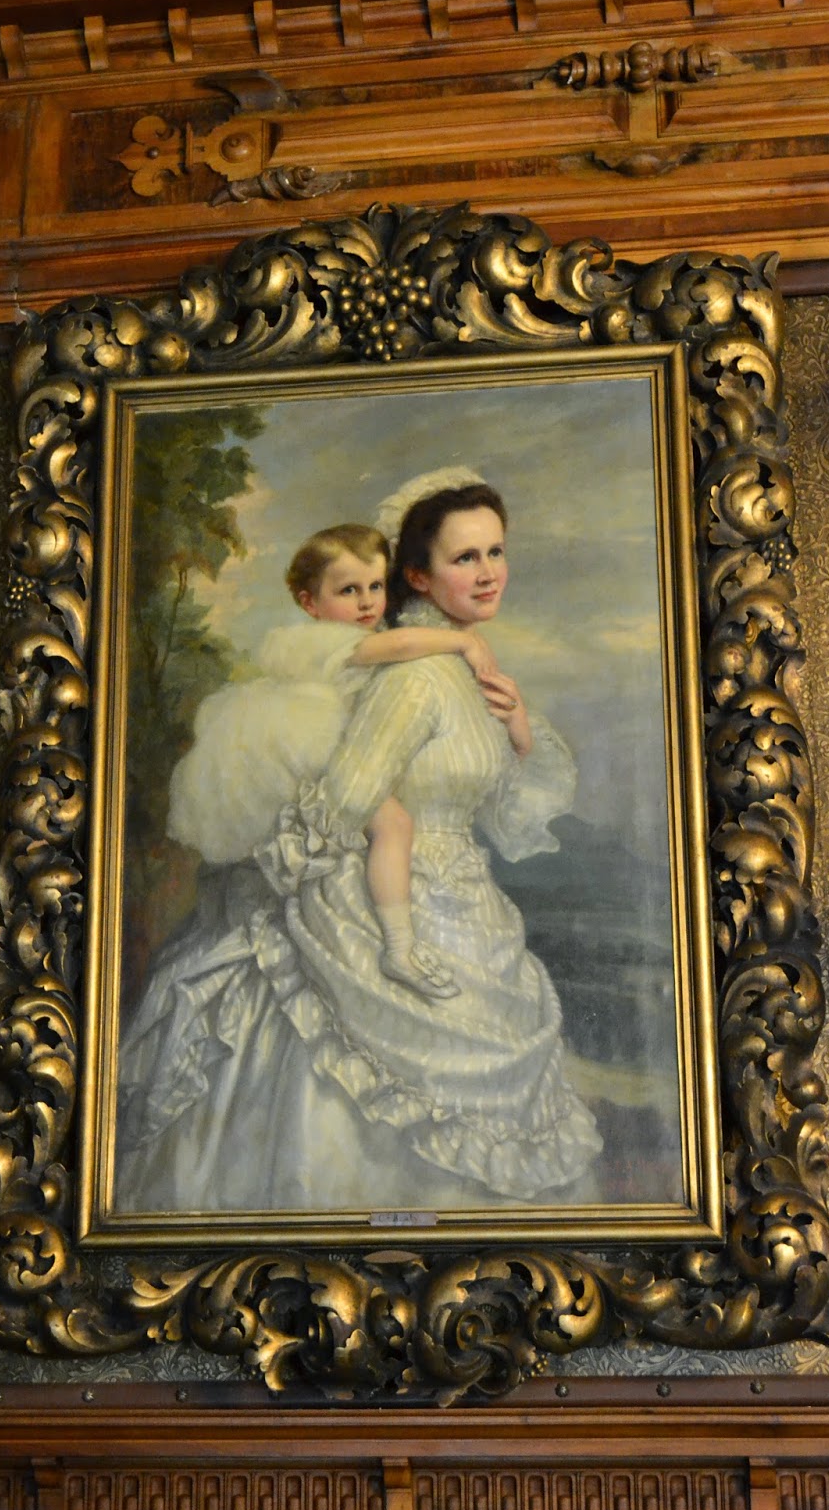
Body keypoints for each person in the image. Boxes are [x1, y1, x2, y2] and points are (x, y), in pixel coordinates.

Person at [116, 468, 602, 1215]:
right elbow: (348, 797)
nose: (487, 573)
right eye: (464, 558)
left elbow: (499, 813)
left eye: (495, 552)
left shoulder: (466, 672)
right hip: (376, 895)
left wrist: (516, 729)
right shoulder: (417, 674)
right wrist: (299, 871)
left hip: (462, 898)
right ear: (419, 576)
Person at [165, 521, 500, 996]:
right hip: (303, 747)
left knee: (384, 825)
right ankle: (399, 947)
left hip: (330, 745)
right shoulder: (320, 640)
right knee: (394, 825)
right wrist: (463, 641)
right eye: (348, 590)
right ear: (310, 603)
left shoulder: (362, 636)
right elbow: (398, 645)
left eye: (376, 586)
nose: (366, 602)